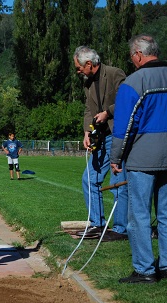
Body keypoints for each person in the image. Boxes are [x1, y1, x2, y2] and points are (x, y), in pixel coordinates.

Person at [110, 34, 167, 283]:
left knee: (139, 216)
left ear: (138, 55)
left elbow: (124, 127)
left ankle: (145, 269)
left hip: (143, 158)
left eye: (132, 57)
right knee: (165, 214)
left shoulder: (133, 82)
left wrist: (116, 157)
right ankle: (165, 265)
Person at [73, 46, 128, 242]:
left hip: (117, 134)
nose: (78, 71)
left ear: (89, 64)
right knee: (89, 179)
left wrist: (108, 113)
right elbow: (89, 108)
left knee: (117, 183)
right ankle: (97, 224)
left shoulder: (115, 73)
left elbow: (126, 100)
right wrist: (87, 131)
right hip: (100, 137)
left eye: (79, 68)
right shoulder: (87, 82)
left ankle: (121, 229)